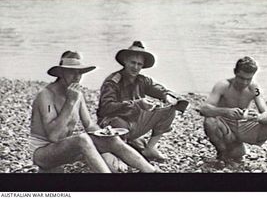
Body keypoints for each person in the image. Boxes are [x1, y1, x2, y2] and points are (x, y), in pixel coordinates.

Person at [30, 50, 158, 173]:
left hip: (65, 149)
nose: (77, 77)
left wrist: (106, 134)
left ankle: (151, 171)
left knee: (111, 139)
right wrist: (70, 102)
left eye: (80, 73)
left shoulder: (77, 94)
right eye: (72, 72)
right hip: (43, 154)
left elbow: (89, 125)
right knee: (82, 139)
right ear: (61, 72)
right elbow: (54, 136)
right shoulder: (46, 95)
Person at [97, 41, 188, 162]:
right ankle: (119, 153)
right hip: (113, 125)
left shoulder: (142, 80)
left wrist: (167, 96)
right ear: (125, 61)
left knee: (170, 109)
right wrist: (137, 104)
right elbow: (105, 108)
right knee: (118, 123)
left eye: (139, 64)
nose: (136, 67)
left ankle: (150, 148)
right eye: (133, 63)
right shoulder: (113, 82)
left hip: (134, 121)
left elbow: (159, 89)